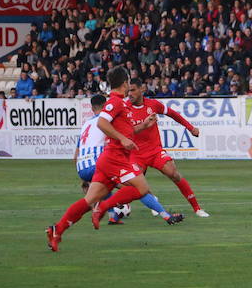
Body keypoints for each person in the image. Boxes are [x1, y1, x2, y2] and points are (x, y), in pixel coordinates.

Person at [47, 66, 156, 252]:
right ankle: (103, 207)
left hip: (107, 160)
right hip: (115, 159)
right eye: (129, 81)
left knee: (88, 201)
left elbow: (126, 131)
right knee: (142, 188)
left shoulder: (120, 103)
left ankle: (57, 230)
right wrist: (122, 139)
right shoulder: (115, 102)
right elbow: (101, 122)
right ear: (125, 83)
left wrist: (143, 126)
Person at [75, 94, 182, 226]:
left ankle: (112, 216)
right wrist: (142, 126)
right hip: (99, 163)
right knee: (138, 187)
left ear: (92, 108)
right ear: (106, 107)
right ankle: (166, 215)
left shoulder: (86, 124)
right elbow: (125, 133)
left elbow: (77, 152)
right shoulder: (107, 120)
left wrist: (85, 175)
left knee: (106, 186)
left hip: (81, 166)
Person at [127, 78, 209, 217]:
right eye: (129, 90)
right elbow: (124, 131)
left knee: (173, 173)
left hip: (154, 151)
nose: (130, 93)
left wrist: (190, 128)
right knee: (133, 183)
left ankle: (197, 208)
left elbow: (173, 114)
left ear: (142, 89)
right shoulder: (124, 108)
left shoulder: (153, 105)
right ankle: (152, 201)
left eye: (133, 90)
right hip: (135, 153)